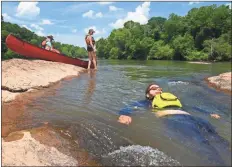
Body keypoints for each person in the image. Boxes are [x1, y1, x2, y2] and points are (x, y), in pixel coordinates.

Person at [118, 83, 221, 125]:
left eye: (159, 88)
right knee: (201, 142)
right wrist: (124, 114)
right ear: (148, 94)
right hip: (174, 120)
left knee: (215, 135)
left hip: (190, 117)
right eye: (153, 88)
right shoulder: (146, 102)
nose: (158, 89)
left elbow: (190, 107)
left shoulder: (170, 100)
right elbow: (131, 107)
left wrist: (208, 113)